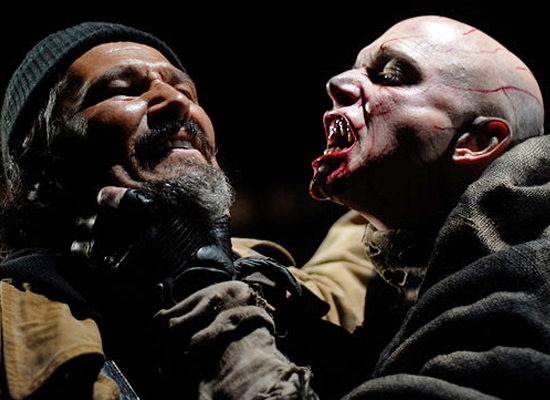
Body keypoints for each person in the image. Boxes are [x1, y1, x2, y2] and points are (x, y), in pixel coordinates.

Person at [0, 22, 317, 400]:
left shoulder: (275, 278)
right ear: (41, 158)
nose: (177, 101)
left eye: (185, 91)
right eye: (123, 89)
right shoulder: (13, 331)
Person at [287, 15, 550, 398]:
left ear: (477, 142)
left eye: (391, 76)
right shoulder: (395, 267)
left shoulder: (532, 283)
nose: (337, 83)